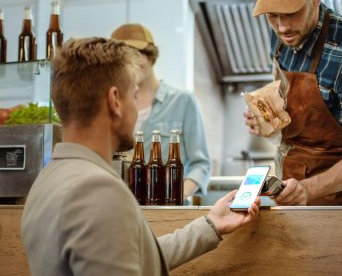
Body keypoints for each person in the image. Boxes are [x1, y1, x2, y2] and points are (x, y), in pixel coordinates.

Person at [20, 37, 260, 276]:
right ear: (115, 101)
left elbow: (130, 257)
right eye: (134, 96)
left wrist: (210, 226)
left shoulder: (46, 180)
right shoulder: (97, 190)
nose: (138, 110)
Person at [244, 0, 342, 205]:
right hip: (288, 185)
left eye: (291, 13)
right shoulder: (281, 35)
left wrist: (307, 189)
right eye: (272, 16)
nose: (282, 27)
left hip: (338, 201)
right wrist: (269, 119)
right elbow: (288, 99)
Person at [111, 23, 211, 201]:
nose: (130, 64)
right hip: (124, 206)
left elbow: (201, 164)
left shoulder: (182, 101)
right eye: (122, 59)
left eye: (136, 54)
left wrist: (177, 195)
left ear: (150, 56)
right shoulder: (114, 105)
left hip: (169, 210)